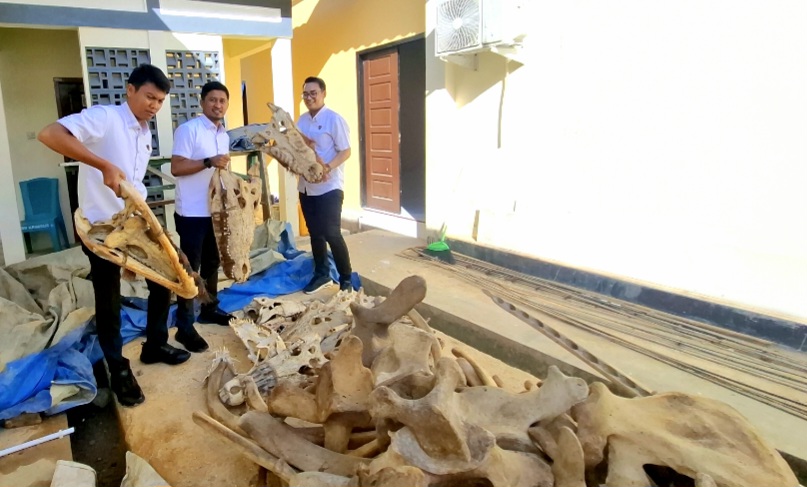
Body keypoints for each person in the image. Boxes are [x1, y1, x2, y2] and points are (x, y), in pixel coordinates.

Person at [38, 64, 191, 408]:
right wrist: (102, 164)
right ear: (130, 90)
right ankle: (118, 368)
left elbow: (134, 185)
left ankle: (155, 344)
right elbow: (50, 134)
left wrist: (152, 225)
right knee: (109, 300)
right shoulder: (105, 118)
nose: (154, 105)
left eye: (160, 101)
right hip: (101, 231)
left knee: (166, 278)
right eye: (149, 97)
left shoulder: (144, 133)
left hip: (134, 224)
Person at [170, 81, 234, 343]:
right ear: (202, 102)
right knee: (189, 268)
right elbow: (176, 167)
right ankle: (185, 326)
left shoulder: (223, 135)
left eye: (222, 101)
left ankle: (209, 308)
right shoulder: (189, 130)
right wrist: (208, 161)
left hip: (215, 211)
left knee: (212, 262)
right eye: (212, 100)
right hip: (192, 213)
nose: (218, 105)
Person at [297, 76, 353, 294]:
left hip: (329, 187)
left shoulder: (334, 119)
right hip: (306, 187)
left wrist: (327, 167)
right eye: (306, 94)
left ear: (323, 94)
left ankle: (346, 279)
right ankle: (322, 274)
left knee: (332, 233)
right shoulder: (301, 121)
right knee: (315, 233)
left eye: (313, 93)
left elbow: (346, 151)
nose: (309, 97)